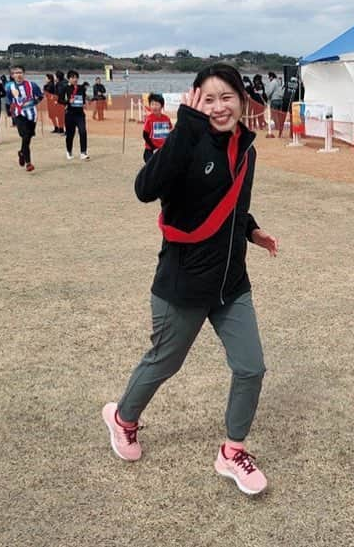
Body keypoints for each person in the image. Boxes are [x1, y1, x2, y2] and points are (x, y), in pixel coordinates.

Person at [102, 63, 278, 496]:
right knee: (165, 361)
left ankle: (232, 450)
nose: (220, 107)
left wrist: (252, 229)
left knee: (251, 367)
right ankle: (123, 418)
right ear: (194, 100)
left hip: (230, 283)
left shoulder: (246, 147)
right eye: (209, 98)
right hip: (182, 283)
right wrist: (186, 127)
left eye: (228, 97)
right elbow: (146, 188)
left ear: (242, 100)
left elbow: (228, 201)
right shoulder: (185, 141)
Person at [5, 64, 44, 172]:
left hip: (32, 114)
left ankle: (22, 152)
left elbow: (40, 96)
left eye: (20, 72)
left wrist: (35, 102)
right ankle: (28, 163)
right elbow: (9, 100)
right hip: (19, 114)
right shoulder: (9, 87)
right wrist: (10, 111)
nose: (18, 75)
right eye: (16, 73)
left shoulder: (32, 85)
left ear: (24, 74)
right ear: (12, 75)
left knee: (28, 138)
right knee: (25, 135)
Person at [57, 70, 90, 161]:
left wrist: (84, 103)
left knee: (83, 131)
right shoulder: (65, 88)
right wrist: (68, 102)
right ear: (69, 79)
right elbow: (60, 100)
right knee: (70, 134)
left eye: (76, 77)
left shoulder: (81, 88)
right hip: (70, 114)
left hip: (80, 114)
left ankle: (83, 152)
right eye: (72, 78)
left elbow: (83, 97)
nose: (75, 79)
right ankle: (69, 151)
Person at [141, 93, 172, 163]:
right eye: (152, 104)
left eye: (157, 104)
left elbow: (170, 132)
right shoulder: (149, 119)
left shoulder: (166, 118)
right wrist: (153, 148)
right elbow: (145, 135)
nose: (154, 107)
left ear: (162, 106)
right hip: (150, 151)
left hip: (163, 150)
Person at [265, 71, 283, 138]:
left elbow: (270, 91)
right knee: (279, 114)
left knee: (274, 114)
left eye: (269, 77)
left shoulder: (273, 82)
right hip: (280, 99)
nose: (269, 78)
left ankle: (277, 127)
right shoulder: (278, 82)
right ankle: (280, 126)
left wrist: (266, 97)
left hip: (274, 99)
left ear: (271, 77)